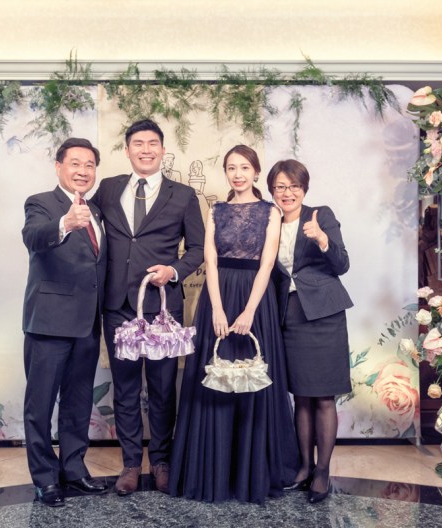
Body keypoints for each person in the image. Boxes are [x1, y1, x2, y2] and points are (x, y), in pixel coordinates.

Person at [169, 145, 298, 504]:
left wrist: (248, 312)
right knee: (215, 382)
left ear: (256, 172)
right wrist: (217, 310)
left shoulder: (271, 211)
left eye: (244, 167)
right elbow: (209, 261)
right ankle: (214, 472)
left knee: (252, 381)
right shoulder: (216, 210)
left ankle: (250, 474)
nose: (237, 174)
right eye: (231, 168)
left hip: (255, 301)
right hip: (218, 296)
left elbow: (267, 264)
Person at [90, 119, 205, 495]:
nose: (145, 149)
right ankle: (129, 464)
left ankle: (160, 461)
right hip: (117, 305)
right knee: (124, 388)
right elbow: (90, 231)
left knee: (162, 389)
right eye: (138, 143)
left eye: (152, 143)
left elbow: (199, 249)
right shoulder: (108, 189)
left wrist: (174, 270)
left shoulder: (183, 195)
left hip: (161, 309)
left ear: (163, 149)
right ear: (127, 150)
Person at [21, 138, 109, 507]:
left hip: (87, 324)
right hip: (49, 323)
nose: (82, 171)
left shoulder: (97, 210)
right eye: (75, 163)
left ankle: (73, 470)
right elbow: (33, 236)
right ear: (59, 166)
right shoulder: (41, 203)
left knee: (77, 403)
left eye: (89, 165)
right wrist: (64, 224)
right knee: (40, 406)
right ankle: (45, 479)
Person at [268, 159, 353, 504]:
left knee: (323, 397)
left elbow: (342, 264)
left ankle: (323, 471)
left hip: (324, 316)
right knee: (300, 396)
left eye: (293, 186)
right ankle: (304, 466)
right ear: (272, 191)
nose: (287, 193)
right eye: (280, 187)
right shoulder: (270, 222)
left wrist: (321, 239)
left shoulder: (321, 215)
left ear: (304, 188)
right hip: (289, 316)